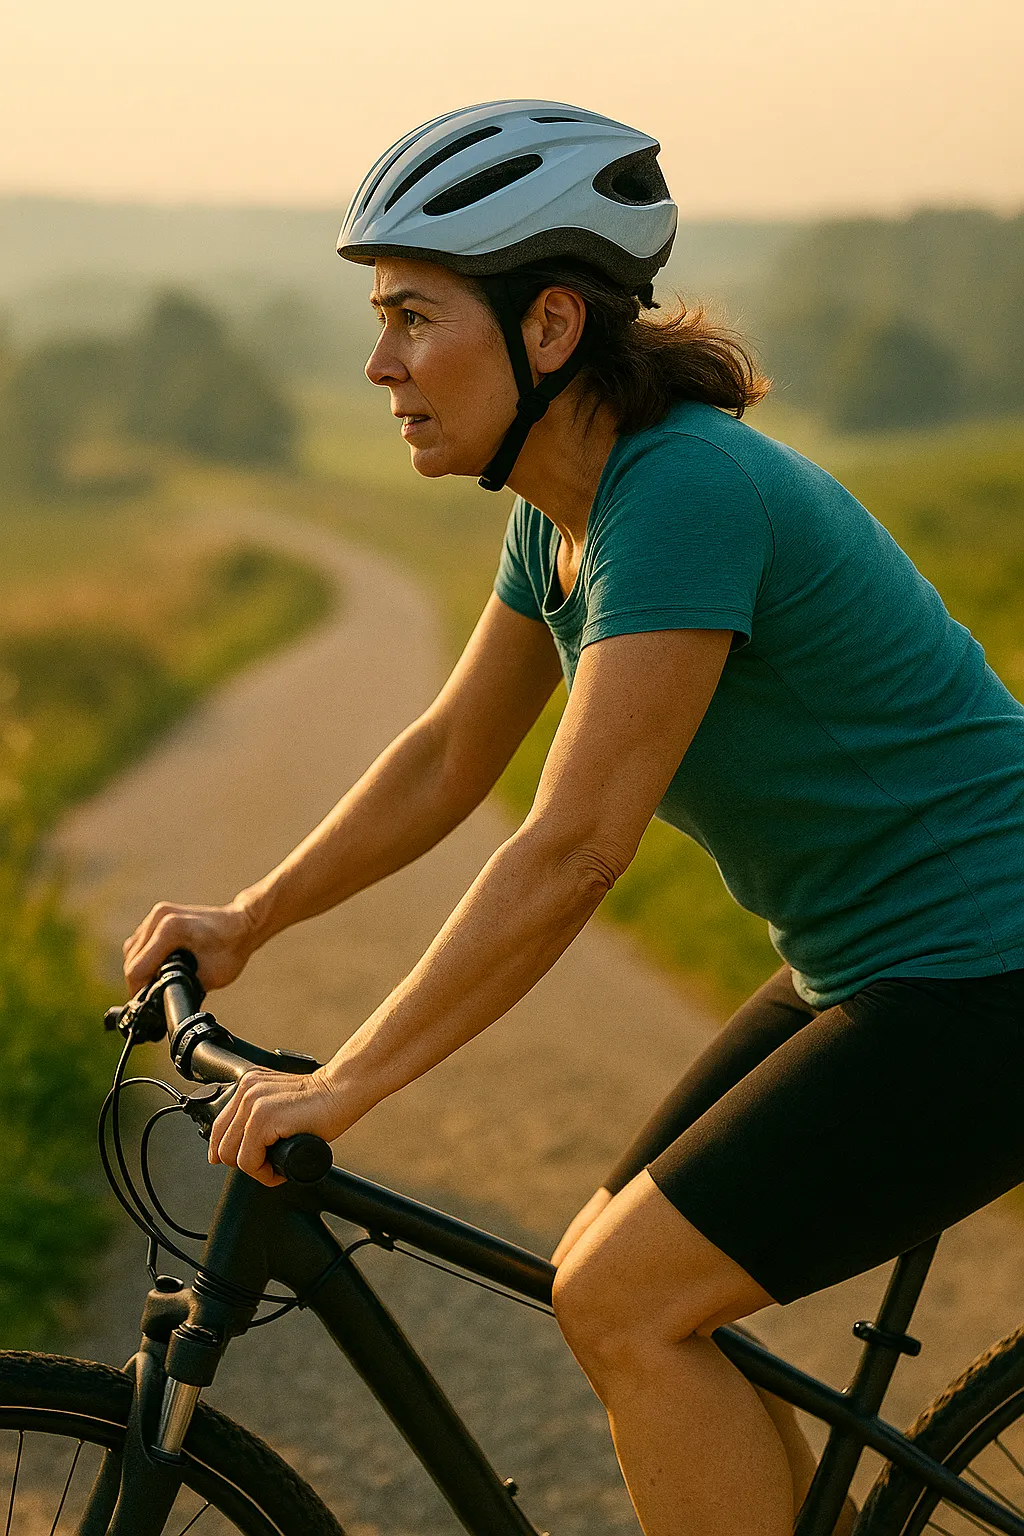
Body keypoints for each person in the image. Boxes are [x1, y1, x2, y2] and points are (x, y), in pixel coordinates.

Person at [123, 101, 1024, 1536]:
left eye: (416, 317)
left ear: (548, 328)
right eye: (380, 319)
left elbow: (574, 844)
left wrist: (347, 1084)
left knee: (629, 1301)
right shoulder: (562, 508)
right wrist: (252, 916)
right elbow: (446, 761)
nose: (380, 364)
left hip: (988, 970)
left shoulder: (683, 494)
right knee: (607, 1278)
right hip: (873, 958)